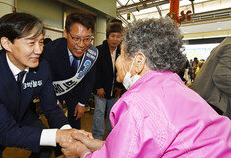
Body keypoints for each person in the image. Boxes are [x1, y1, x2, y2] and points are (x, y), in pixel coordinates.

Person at [59, 18, 231, 158]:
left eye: (122, 53)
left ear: (139, 61)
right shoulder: (172, 84)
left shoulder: (139, 104)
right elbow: (132, 148)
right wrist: (94, 144)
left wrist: (80, 152)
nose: (118, 61)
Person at [0, 12, 77, 158]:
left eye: (41, 42)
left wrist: (69, 132)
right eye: (31, 43)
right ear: (7, 43)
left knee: (45, 146)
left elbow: (51, 107)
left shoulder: (42, 67)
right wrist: (58, 136)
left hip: (21, 115)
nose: (39, 50)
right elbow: (3, 131)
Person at [43, 11, 97, 129]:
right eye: (76, 38)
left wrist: (82, 103)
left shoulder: (92, 54)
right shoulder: (50, 51)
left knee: (75, 126)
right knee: (57, 125)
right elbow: (46, 80)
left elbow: (89, 80)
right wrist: (55, 102)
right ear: (66, 33)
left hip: (76, 94)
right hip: (55, 91)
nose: (81, 45)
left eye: (87, 39)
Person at [92, 22, 124, 139]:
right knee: (99, 114)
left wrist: (120, 86)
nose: (115, 39)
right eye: (113, 36)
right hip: (100, 90)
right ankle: (97, 137)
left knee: (113, 114)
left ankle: (112, 137)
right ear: (107, 36)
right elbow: (95, 71)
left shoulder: (122, 52)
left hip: (115, 90)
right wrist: (98, 87)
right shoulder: (98, 50)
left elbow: (124, 71)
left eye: (118, 36)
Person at [192, 37, 231, 118]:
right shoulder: (229, 46)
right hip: (215, 103)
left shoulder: (225, 44)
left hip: (206, 101)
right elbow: (222, 76)